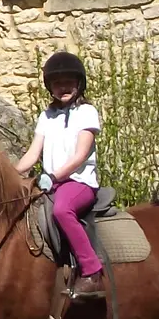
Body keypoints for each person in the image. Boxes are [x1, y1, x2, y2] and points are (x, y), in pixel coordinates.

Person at [15, 51, 106, 299]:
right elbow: (33, 154)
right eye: (57, 82)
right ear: (49, 87)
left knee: (61, 211)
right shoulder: (46, 116)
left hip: (78, 182)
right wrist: (10, 174)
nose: (63, 87)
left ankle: (91, 271)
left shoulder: (87, 112)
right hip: (51, 185)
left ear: (79, 83)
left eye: (68, 81)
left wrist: (54, 177)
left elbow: (79, 156)